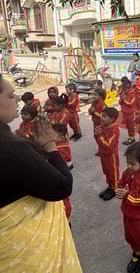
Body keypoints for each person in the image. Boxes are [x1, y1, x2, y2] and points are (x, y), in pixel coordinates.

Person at [0, 76, 82, 271]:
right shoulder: (9, 148)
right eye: (11, 95)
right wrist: (49, 145)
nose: (18, 99)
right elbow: (61, 185)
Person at [116, 142, 140, 273]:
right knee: (130, 235)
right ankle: (136, 252)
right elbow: (121, 183)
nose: (129, 166)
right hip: (127, 213)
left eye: (132, 163)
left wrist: (127, 194)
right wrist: (119, 190)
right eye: (128, 162)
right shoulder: (128, 172)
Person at [95, 107, 120, 201]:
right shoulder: (103, 127)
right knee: (106, 171)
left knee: (113, 172)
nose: (101, 117)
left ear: (112, 119)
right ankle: (110, 186)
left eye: (104, 116)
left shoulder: (114, 130)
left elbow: (109, 145)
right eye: (102, 115)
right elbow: (99, 142)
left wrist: (100, 135)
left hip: (111, 156)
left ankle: (115, 189)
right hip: (103, 154)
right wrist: (97, 135)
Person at [53, 123, 73, 223]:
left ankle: (67, 220)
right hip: (57, 177)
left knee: (64, 200)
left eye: (52, 136)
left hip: (60, 179)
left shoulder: (62, 150)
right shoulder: (56, 145)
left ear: (60, 138)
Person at [119, 78, 136, 146]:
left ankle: (132, 138)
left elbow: (130, 103)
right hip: (125, 112)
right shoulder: (124, 93)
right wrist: (121, 98)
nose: (123, 90)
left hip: (130, 113)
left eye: (124, 89)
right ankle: (130, 137)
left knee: (131, 126)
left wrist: (124, 99)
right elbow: (120, 102)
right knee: (128, 126)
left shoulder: (132, 94)